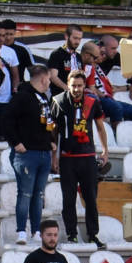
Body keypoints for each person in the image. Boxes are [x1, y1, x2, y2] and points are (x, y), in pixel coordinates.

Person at [54, 70, 109, 246]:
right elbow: (53, 131)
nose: (77, 89)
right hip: (67, 158)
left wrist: (105, 150)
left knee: (91, 199)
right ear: (67, 85)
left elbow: (100, 127)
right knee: (68, 199)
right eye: (73, 86)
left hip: (87, 157)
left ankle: (93, 235)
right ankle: (72, 234)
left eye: (80, 86)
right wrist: (53, 157)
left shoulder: (93, 101)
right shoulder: (58, 101)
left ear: (84, 85)